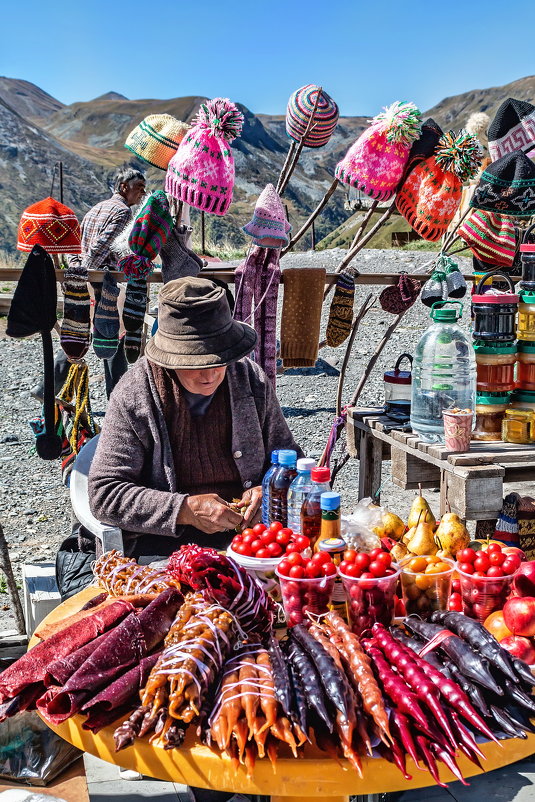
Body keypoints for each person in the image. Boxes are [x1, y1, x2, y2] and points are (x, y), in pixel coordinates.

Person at [88, 276, 302, 559]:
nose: (210, 374)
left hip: (250, 543)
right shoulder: (134, 394)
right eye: (197, 363)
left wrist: (268, 489)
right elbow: (105, 494)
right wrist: (184, 510)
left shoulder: (249, 379)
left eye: (219, 360)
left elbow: (293, 461)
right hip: (163, 548)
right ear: (170, 357)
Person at [32, 168, 147, 401]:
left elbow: (79, 244)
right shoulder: (123, 212)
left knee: (81, 332)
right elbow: (102, 246)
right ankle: (117, 400)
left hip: (84, 280)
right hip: (103, 282)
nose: (142, 194)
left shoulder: (96, 208)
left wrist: (77, 275)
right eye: (139, 188)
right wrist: (89, 272)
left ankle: (46, 389)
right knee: (114, 335)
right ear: (124, 187)